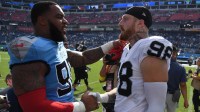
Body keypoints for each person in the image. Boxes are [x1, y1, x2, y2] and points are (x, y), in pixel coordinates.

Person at [7, 1, 120, 112]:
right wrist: (82, 106)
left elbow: (84, 57)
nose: (66, 22)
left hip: (66, 105)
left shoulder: (55, 44)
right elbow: (34, 107)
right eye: (59, 17)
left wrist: (112, 44)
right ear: (42, 20)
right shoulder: (32, 49)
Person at [90, 6, 173, 112]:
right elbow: (124, 89)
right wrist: (102, 97)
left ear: (140, 23)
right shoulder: (126, 49)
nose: (120, 23)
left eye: (125, 19)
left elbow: (156, 105)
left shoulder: (150, 46)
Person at [99, 40, 127, 112]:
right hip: (110, 98)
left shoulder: (125, 66)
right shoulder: (110, 66)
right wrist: (104, 64)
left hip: (121, 98)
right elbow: (101, 78)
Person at [165, 46, 189, 112]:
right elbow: (183, 85)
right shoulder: (181, 68)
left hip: (159, 93)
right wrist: (185, 99)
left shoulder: (160, 64)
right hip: (172, 96)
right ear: (175, 54)